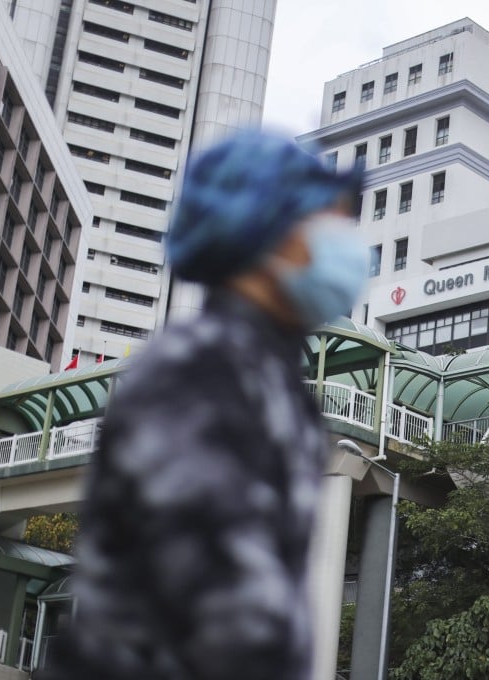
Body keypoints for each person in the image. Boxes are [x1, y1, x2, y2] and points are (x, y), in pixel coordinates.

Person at [41, 130, 366, 680]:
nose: (348, 243)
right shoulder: (203, 371)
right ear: (269, 231)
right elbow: (221, 609)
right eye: (328, 222)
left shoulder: (264, 374)